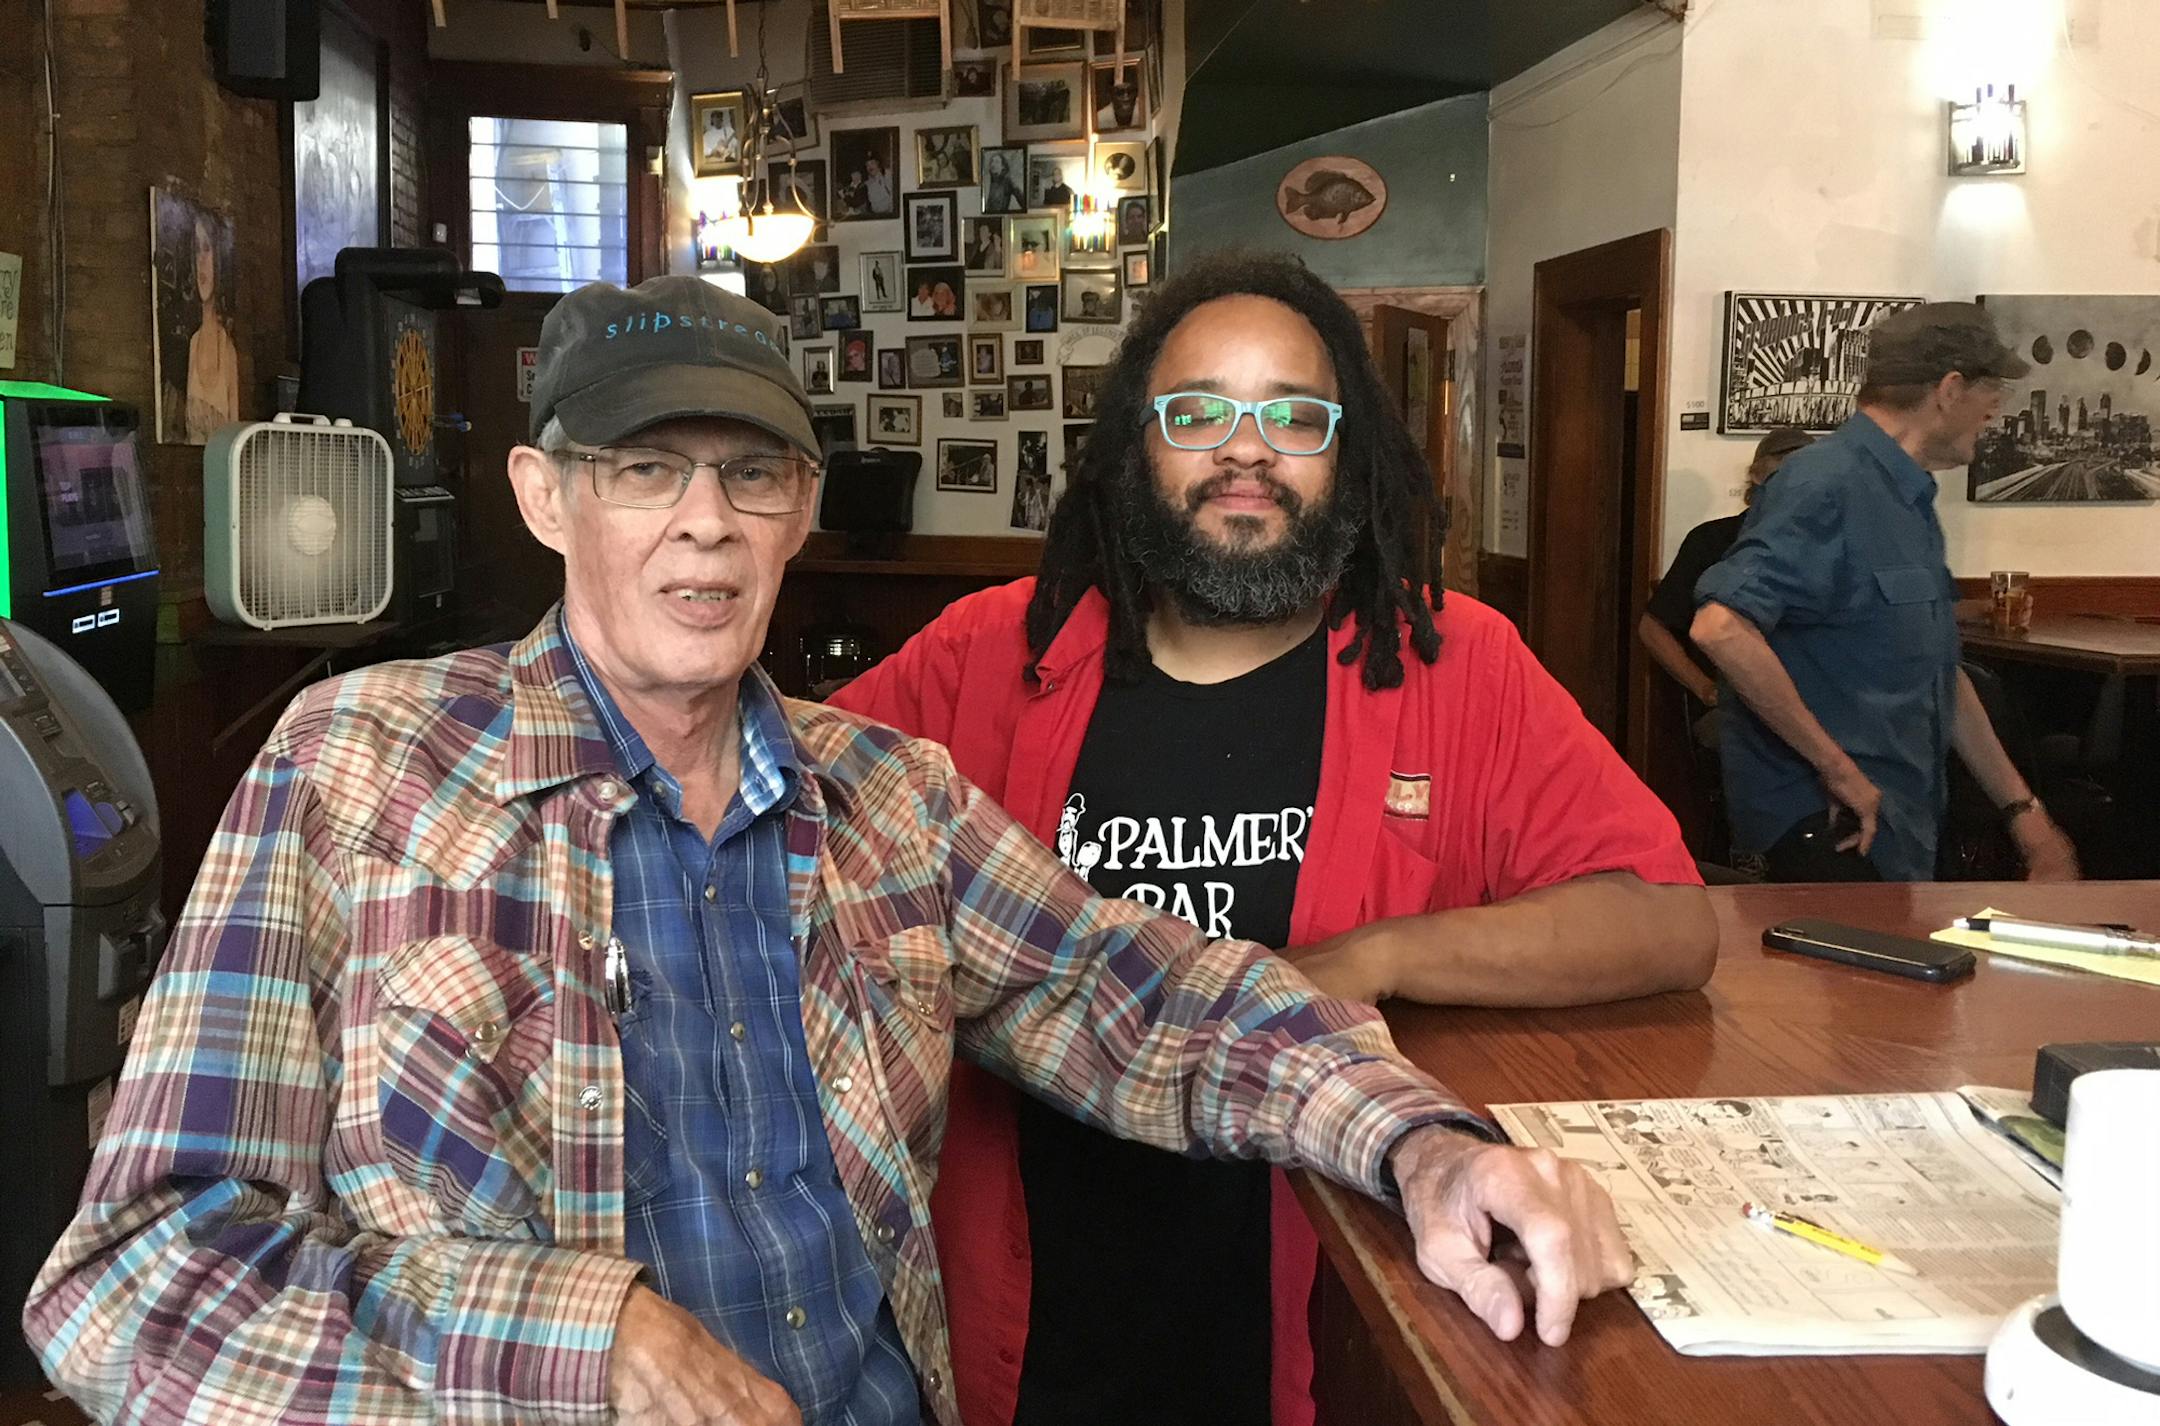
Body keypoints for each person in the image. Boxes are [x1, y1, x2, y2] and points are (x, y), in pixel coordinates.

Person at [25, 274, 1633, 1426]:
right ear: (542, 494)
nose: (704, 523)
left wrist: (1427, 1143)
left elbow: (1153, 999)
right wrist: (588, 1340)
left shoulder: (891, 800)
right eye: (645, 470)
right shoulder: (352, 768)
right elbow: (135, 1281)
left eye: (752, 475)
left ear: (803, 512)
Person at [828, 251, 1713, 1426]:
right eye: (1197, 412)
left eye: (1294, 416)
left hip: (1325, 1297)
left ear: (1347, 454)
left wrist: (1376, 955)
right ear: (1133, 445)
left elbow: (1665, 918)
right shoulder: (989, 652)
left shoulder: (1455, 664)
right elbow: (781, 802)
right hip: (1029, 1306)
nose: (1246, 449)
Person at [1692, 302, 2082, 884]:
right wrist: (1837, 768)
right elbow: (1720, 628)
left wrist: (2025, 817)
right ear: (1950, 389)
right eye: (1992, 390)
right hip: (1833, 824)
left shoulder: (1909, 496)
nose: (1997, 410)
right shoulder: (1825, 482)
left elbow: (1940, 676)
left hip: (1903, 819)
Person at [1641, 427, 1815, 730]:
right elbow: (1653, 628)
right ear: (1758, 475)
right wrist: (1706, 690)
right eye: (1784, 471)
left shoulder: (1827, 547)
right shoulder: (1712, 540)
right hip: (1739, 711)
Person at [183, 213, 240, 443]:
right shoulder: (193, 343)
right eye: (196, 250)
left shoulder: (228, 350)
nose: (201, 262)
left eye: (206, 249)